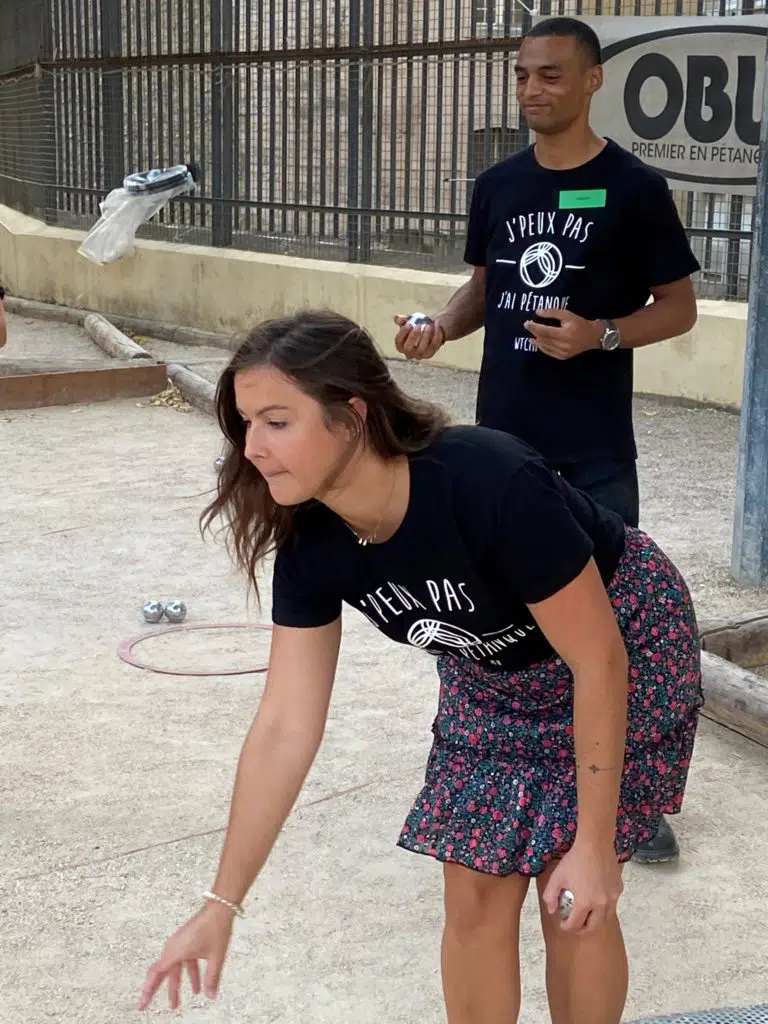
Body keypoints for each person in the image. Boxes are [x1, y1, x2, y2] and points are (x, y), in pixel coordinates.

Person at [138, 310, 703, 1024]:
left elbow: (598, 661)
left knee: (573, 899)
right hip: (492, 674)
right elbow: (284, 726)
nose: (252, 448)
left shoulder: (488, 480)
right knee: (472, 888)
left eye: (277, 422)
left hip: (623, 643)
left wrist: (594, 846)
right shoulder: (314, 545)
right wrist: (220, 905)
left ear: (353, 416)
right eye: (246, 423)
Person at [393, 16, 701, 863]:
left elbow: (678, 307)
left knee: (611, 623)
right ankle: (513, 769)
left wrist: (601, 334)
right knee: (505, 616)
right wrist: (439, 326)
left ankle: (634, 796)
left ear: (594, 80)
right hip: (503, 450)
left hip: (594, 449)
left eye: (552, 76)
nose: (533, 90)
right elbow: (484, 287)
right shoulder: (498, 182)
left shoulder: (635, 188)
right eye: (524, 75)